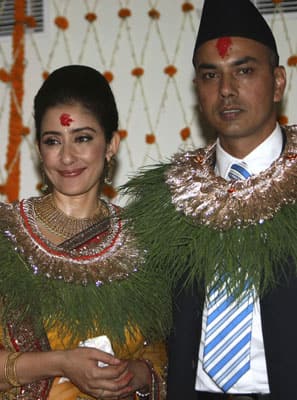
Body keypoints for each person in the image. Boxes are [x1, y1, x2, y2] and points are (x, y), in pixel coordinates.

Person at [122, 0, 297, 399]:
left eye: (245, 70)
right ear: (197, 89)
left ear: (279, 82)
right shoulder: (167, 198)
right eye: (210, 75)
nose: (227, 90)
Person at [0, 65, 168, 399]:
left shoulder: (143, 241)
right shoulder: (6, 235)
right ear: (38, 150)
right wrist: (61, 362)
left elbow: (164, 355)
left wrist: (136, 374)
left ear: (111, 144)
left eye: (83, 138)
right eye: (53, 141)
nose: (67, 157)